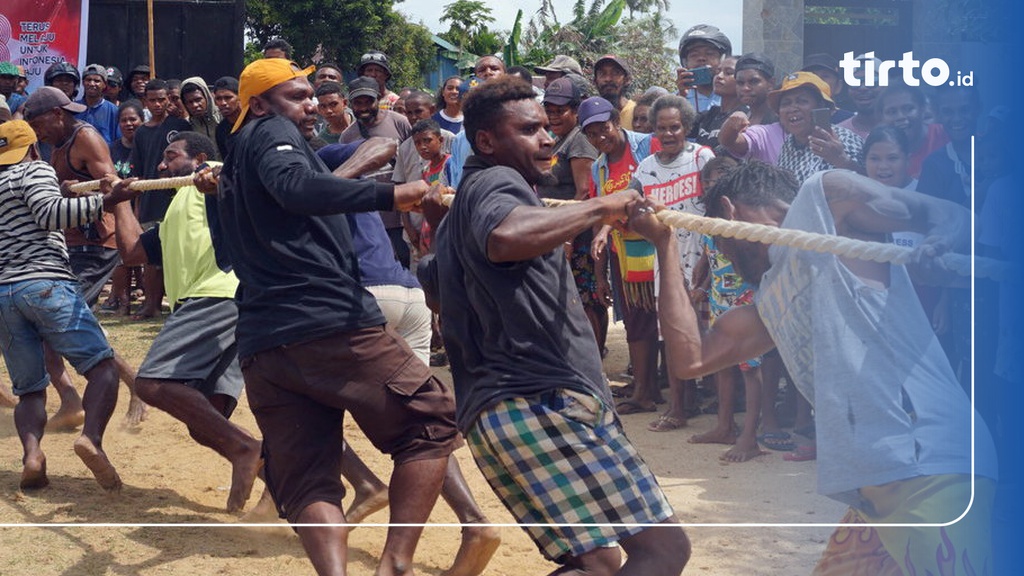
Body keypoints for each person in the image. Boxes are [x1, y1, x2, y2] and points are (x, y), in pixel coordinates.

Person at [630, 160, 997, 576]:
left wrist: (940, 244)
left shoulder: (823, 198)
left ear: (730, 215)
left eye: (718, 240)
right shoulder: (769, 299)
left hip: (929, 467)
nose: (722, 254)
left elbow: (948, 215)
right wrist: (666, 246)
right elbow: (689, 360)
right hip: (877, 493)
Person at [427, 75, 689, 576]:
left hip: (498, 413)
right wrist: (602, 206)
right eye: (529, 130)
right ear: (486, 141)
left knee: (599, 561)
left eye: (546, 128)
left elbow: (433, 284)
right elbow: (505, 238)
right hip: (539, 403)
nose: (547, 139)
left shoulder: (470, 198)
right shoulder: (497, 184)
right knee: (663, 551)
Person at [216, 57, 457, 576]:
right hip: (327, 324)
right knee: (432, 422)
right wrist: (393, 193)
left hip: (263, 342)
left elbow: (272, 210)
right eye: (296, 95)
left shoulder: (234, 162)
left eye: (311, 95)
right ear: (259, 104)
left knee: (307, 479)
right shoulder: (270, 132)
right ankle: (394, 564)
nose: (309, 104)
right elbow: (297, 188)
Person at [107, 132, 261, 512]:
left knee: (153, 383)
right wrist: (122, 203)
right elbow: (131, 253)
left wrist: (211, 171)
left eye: (170, 156)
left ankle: (245, 450)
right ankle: (275, 478)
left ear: (199, 158)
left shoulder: (212, 181)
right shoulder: (176, 210)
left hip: (217, 294)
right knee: (206, 423)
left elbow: (230, 175)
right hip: (219, 304)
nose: (161, 166)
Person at [0, 119, 138, 492]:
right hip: (45, 283)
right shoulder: (35, 170)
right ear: (31, 149)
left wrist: (61, 194)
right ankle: (90, 437)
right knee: (102, 368)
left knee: (29, 388)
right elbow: (49, 215)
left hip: (4, 294)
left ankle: (32, 455)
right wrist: (109, 200)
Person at [23, 86, 146, 429]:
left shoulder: (85, 137)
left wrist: (127, 235)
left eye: (37, 122)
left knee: (57, 321)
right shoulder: (55, 143)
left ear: (57, 115)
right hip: (72, 242)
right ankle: (75, 400)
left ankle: (115, 391)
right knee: (57, 324)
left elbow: (111, 184)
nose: (36, 130)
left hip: (95, 243)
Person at [628, 94, 714, 424]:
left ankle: (711, 404)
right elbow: (631, 206)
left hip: (705, 256)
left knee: (707, 331)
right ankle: (678, 406)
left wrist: (707, 273)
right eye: (661, 128)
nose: (668, 134)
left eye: (675, 127)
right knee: (674, 333)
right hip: (666, 259)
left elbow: (717, 204)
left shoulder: (702, 157)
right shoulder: (646, 168)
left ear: (687, 127)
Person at [580, 97, 665, 431]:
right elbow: (600, 214)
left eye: (604, 129)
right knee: (635, 320)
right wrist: (600, 274)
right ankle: (646, 387)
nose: (601, 138)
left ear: (616, 121)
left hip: (656, 245)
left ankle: (650, 389)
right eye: (592, 134)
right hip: (622, 253)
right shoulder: (597, 167)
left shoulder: (647, 146)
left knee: (655, 319)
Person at [536, 77, 606, 357]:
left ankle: (593, 359)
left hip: (578, 236)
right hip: (561, 232)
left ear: (575, 110)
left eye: (560, 110)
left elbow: (585, 193)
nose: (553, 116)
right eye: (549, 109)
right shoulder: (558, 139)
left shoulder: (579, 141)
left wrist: (567, 239)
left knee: (586, 300)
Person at [130, 78, 193, 319]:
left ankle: (182, 304)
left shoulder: (180, 125)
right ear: (145, 101)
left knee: (180, 252)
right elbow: (138, 171)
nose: (158, 104)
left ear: (169, 99)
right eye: (153, 100)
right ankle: (151, 304)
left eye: (162, 99)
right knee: (152, 258)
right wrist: (137, 205)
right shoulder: (141, 132)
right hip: (149, 200)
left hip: (176, 197)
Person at [102, 100, 146, 316]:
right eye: (124, 120)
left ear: (142, 120)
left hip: (144, 204)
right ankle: (122, 302)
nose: (129, 124)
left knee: (145, 255)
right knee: (120, 255)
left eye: (133, 119)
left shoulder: (148, 144)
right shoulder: (112, 148)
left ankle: (148, 300)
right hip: (119, 207)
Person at [877, 84, 947, 178]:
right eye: (892, 112)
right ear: (882, 118)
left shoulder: (945, 135)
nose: (900, 116)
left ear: (922, 109)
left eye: (908, 109)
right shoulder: (878, 149)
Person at [676, 24, 731, 113]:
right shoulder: (674, 100)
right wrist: (680, 97)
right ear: (685, 62)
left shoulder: (736, 97)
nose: (701, 58)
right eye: (694, 55)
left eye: (709, 53)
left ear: (723, 59)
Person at [689, 55, 740, 148]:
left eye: (728, 73)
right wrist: (682, 95)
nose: (719, 76)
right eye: (718, 71)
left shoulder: (745, 116)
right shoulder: (709, 114)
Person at [836, 54, 884, 139]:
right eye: (855, 82)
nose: (863, 88)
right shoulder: (838, 135)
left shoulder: (901, 129)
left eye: (872, 81)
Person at [801, 53, 854, 123]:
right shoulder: (792, 119)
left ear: (838, 86)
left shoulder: (850, 121)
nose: (817, 80)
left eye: (825, 76)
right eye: (811, 76)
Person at [76, 64, 121, 145]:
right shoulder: (73, 108)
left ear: (104, 85)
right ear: (83, 83)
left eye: (97, 81)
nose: (92, 84)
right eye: (88, 80)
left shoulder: (113, 111)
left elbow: (119, 141)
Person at [593, 54, 636, 131]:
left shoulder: (636, 113)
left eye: (615, 73)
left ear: (627, 80)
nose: (608, 79)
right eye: (602, 74)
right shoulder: (592, 114)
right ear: (595, 81)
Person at [181, 77, 222, 152]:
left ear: (206, 97)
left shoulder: (222, 118)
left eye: (198, 100)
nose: (195, 105)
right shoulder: (188, 125)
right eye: (190, 102)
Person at [212, 76, 240, 159]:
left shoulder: (253, 122)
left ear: (239, 97)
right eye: (218, 99)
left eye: (228, 98)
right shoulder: (221, 130)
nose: (223, 103)